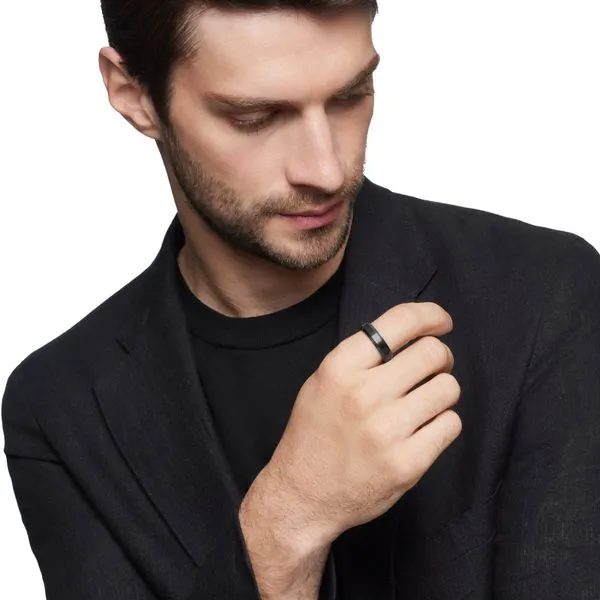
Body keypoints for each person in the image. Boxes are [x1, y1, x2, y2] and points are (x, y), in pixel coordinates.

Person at [3, 1, 600, 599]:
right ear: (133, 94)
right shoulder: (59, 408)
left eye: (350, 95)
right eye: (256, 117)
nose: (327, 170)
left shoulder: (547, 298)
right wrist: (290, 518)